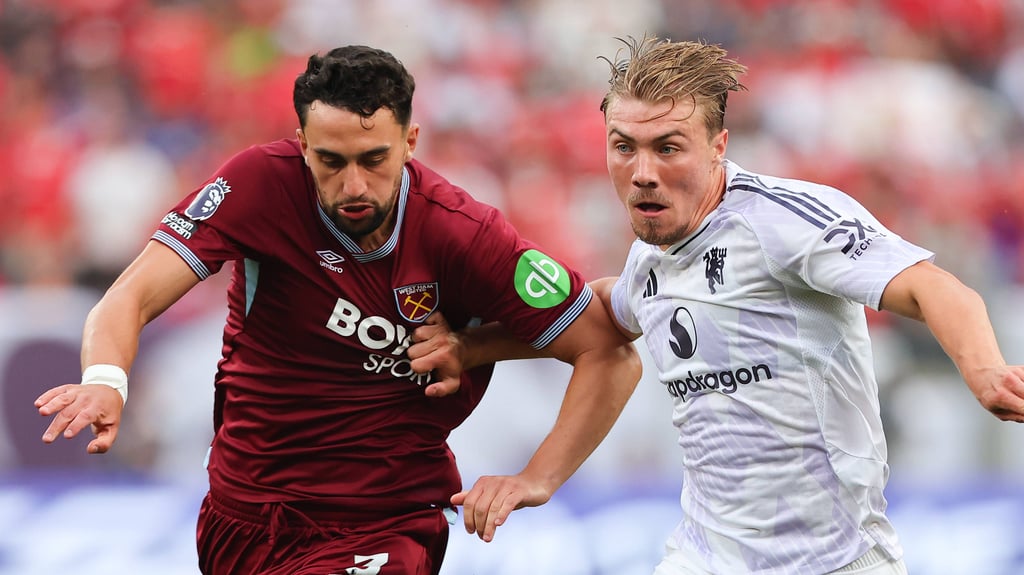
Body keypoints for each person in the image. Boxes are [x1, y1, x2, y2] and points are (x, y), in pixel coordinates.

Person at [34, 45, 641, 575]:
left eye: (373, 160)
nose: (354, 185)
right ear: (302, 145)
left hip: (384, 523)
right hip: (240, 517)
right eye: (331, 160)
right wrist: (106, 379)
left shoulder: (463, 234)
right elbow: (130, 294)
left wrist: (536, 478)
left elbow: (608, 351)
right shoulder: (257, 187)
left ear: (410, 142)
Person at [437, 36, 1024, 574]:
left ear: (718, 146)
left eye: (668, 148)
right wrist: (475, 347)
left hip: (836, 560)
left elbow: (934, 287)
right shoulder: (652, 259)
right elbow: (603, 320)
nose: (643, 173)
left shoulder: (783, 222)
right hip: (705, 557)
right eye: (624, 147)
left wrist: (987, 373)